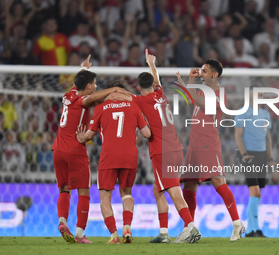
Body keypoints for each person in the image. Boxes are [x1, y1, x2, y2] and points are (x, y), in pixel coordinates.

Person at [107, 49, 201, 244]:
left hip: (161, 151)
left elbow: (122, 97)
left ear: (139, 87)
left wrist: (110, 92)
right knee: (158, 190)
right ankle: (164, 234)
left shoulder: (139, 100)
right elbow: (156, 81)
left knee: (173, 190)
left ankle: (191, 227)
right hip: (175, 148)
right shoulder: (160, 94)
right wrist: (152, 64)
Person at [51, 55, 131, 244]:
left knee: (64, 189)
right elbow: (94, 98)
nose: (95, 86)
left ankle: (62, 222)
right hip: (75, 150)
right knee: (84, 191)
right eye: (94, 84)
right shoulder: (82, 101)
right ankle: (79, 234)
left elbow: (80, 84)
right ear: (88, 87)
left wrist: (84, 69)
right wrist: (116, 89)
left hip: (58, 150)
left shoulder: (68, 95)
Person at [76, 80, 151, 244]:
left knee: (104, 197)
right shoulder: (134, 106)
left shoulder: (101, 108)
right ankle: (127, 227)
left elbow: (89, 135)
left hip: (109, 156)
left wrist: (81, 138)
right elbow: (146, 133)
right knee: (126, 194)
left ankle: (114, 235)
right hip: (130, 156)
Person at [179, 60, 245, 242]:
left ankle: (237, 223)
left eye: (205, 71)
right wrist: (191, 81)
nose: (201, 74)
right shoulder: (201, 89)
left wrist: (187, 85)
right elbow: (193, 100)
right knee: (189, 186)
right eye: (201, 71)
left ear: (214, 75)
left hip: (208, 143)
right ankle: (189, 229)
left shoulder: (219, 93)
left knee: (218, 182)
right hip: (194, 144)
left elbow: (203, 103)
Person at [234, 87, 276, 237]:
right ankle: (254, 229)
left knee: (257, 194)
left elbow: (268, 139)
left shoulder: (265, 114)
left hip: (262, 155)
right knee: (255, 190)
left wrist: (270, 159)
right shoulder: (242, 112)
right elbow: (238, 136)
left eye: (262, 94)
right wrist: (244, 154)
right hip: (248, 155)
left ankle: (252, 230)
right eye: (257, 93)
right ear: (249, 96)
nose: (260, 96)